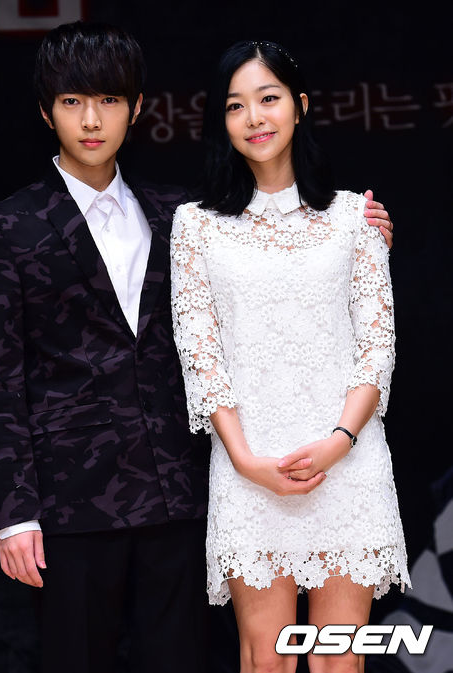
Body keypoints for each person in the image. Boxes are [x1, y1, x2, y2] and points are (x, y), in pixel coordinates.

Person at [0, 22, 393, 672]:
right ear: (46, 112)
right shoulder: (8, 225)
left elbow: (281, 276)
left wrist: (365, 238)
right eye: (73, 101)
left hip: (177, 495)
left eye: (109, 100)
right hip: (72, 504)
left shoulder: (180, 216)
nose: (91, 120)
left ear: (137, 108)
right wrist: (14, 513)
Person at [170, 40, 409, 673]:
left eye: (268, 98)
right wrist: (245, 460)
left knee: (339, 662)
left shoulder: (356, 217)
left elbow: (376, 349)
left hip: (346, 462)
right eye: (235, 106)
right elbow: (200, 354)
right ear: (221, 121)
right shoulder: (195, 226)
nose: (254, 118)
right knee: (266, 660)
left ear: (300, 106)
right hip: (249, 465)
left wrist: (338, 441)